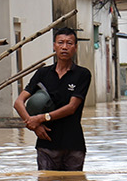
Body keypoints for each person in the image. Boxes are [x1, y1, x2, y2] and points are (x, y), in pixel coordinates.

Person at [14, 27, 92, 171]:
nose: (64, 47)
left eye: (69, 43)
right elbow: (18, 102)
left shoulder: (82, 74)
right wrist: (34, 125)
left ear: (75, 47)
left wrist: (41, 118)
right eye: (60, 42)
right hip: (46, 144)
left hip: (73, 145)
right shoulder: (43, 73)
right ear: (54, 46)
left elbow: (71, 108)